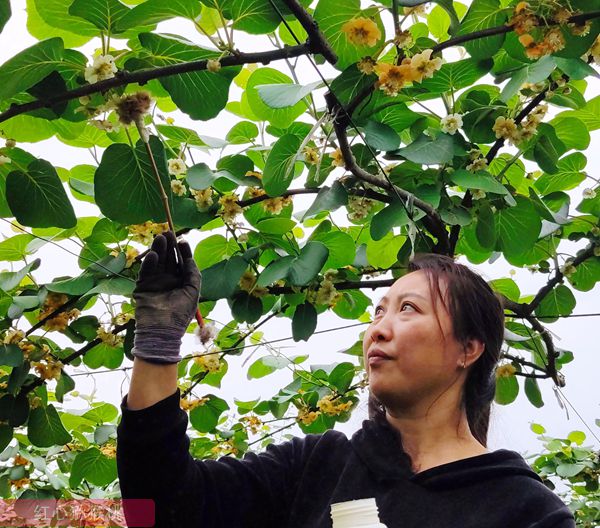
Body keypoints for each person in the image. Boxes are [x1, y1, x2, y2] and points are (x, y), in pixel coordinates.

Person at [116, 232, 576, 527]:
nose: (376, 328)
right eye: (378, 311)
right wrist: (157, 341)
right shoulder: (319, 465)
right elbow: (157, 509)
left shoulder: (525, 511)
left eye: (408, 309)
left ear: (468, 349)